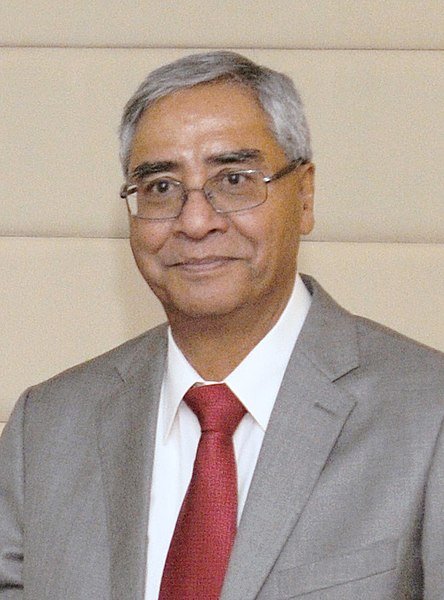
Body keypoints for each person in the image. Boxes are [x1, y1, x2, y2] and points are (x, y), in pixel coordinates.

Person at [0, 51, 443, 600]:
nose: (195, 220)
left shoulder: (428, 415)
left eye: (233, 179)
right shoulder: (45, 430)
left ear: (304, 195)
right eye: (161, 187)